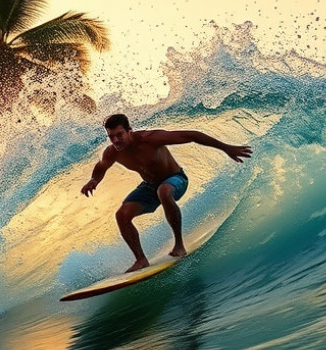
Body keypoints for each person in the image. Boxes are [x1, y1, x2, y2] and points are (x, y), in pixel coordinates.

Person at [81, 114, 252, 273]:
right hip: (149, 186)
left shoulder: (151, 139)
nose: (115, 140)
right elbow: (101, 166)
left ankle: (179, 245)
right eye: (111, 137)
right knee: (122, 215)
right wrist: (94, 181)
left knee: (163, 191)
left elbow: (192, 135)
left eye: (119, 135)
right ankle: (141, 260)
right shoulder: (112, 152)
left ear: (129, 131)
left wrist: (226, 148)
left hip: (175, 179)